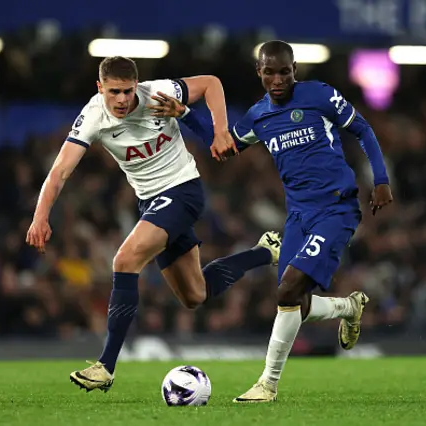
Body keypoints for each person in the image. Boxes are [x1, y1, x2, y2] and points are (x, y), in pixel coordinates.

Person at [148, 40, 393, 402]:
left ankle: (268, 384)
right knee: (295, 302)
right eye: (269, 72)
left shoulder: (320, 96)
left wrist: (381, 180)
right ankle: (349, 307)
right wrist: (185, 113)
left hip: (336, 208)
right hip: (297, 215)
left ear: (295, 70)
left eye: (285, 72)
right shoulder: (258, 116)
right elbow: (223, 146)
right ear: (258, 72)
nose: (277, 79)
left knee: (286, 291)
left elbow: (364, 130)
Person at [25, 56, 281, 393]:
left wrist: (220, 130)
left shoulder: (158, 94)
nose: (121, 99)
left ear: (137, 85)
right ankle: (264, 252)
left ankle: (106, 366)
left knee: (124, 260)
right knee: (195, 294)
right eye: (113, 91)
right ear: (100, 88)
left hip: (183, 191)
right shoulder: (92, 115)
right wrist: (40, 215)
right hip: (151, 202)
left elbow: (211, 83)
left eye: (127, 91)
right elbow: (59, 171)